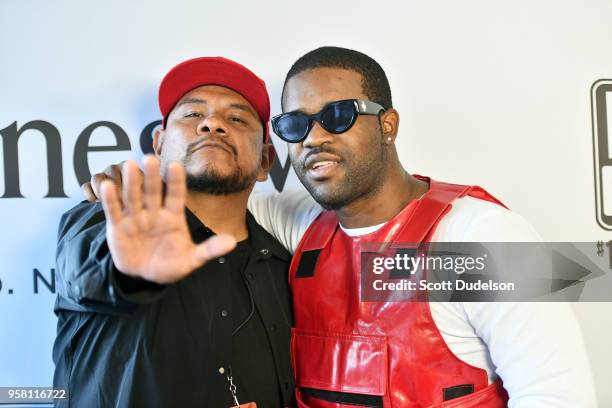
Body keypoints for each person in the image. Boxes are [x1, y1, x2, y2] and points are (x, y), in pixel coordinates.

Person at [85, 47, 597, 407]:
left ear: (388, 124)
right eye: (294, 124)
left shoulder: (479, 236)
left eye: (337, 115)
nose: (313, 137)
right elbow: (215, 201)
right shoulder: (296, 222)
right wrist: (118, 192)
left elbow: (557, 395)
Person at [53, 57, 296, 407]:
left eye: (237, 118)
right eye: (193, 114)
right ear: (158, 143)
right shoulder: (107, 216)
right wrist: (130, 273)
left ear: (265, 161)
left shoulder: (280, 264)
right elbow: (86, 271)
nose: (212, 123)